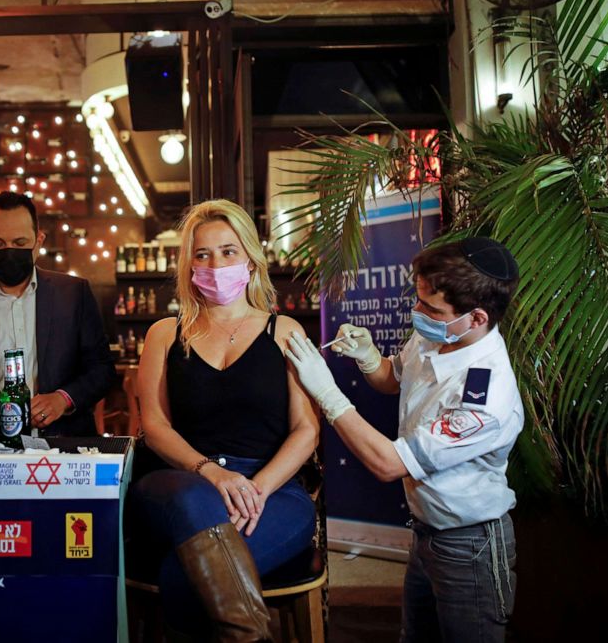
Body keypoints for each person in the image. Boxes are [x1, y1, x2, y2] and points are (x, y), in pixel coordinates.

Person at [286, 237, 523, 643]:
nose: (417, 313)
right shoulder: (442, 334)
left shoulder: (486, 397)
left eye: (431, 309)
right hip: (426, 533)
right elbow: (394, 378)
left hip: (470, 546)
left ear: (477, 317)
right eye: (419, 301)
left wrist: (327, 394)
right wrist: (369, 357)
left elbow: (389, 464)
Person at [130, 199, 320, 640]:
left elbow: (306, 429)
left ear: (251, 260)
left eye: (228, 251)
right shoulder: (163, 334)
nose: (215, 263)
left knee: (183, 572)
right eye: (202, 254)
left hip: (271, 489)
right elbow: (155, 427)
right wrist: (213, 473)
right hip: (183, 479)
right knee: (193, 505)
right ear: (188, 265)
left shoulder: (286, 330)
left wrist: (257, 488)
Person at [0, 192, 115, 437]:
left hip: (64, 442)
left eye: (19, 243)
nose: (9, 251)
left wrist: (62, 399)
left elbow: (102, 370)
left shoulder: (73, 294)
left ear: (38, 241)